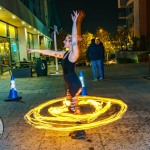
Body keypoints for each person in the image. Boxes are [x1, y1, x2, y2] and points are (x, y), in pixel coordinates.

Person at [27, 10, 86, 139]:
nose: (64, 41)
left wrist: (75, 22)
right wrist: (35, 50)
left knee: (74, 107)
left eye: (66, 40)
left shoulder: (73, 54)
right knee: (71, 106)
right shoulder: (64, 54)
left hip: (74, 85)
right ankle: (78, 127)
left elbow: (75, 39)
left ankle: (81, 131)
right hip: (70, 85)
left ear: (71, 43)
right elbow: (51, 52)